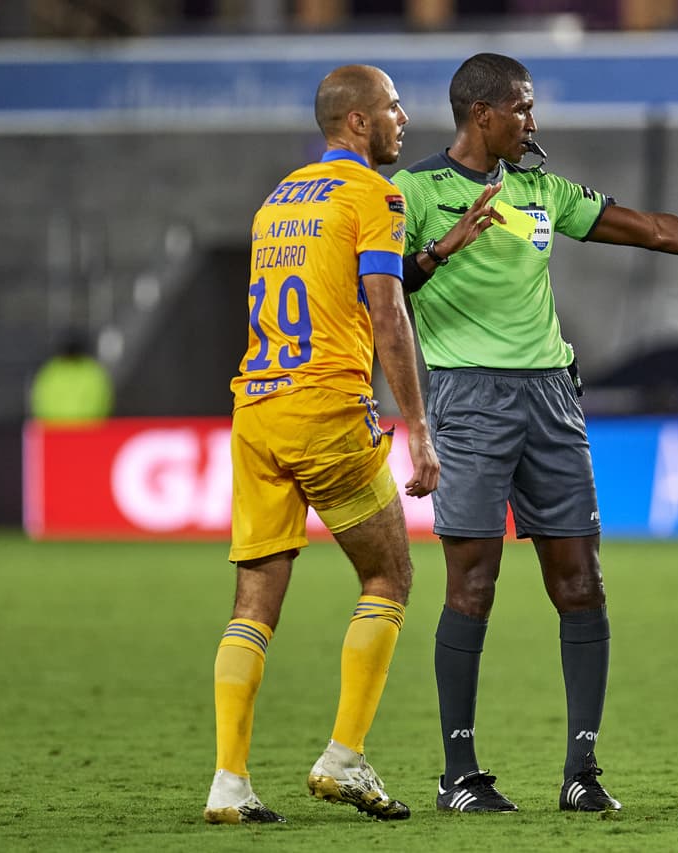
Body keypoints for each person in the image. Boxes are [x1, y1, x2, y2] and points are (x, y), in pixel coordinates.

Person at [390, 53, 678, 813]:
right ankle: (459, 775)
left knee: (582, 584)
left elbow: (647, 227)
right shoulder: (414, 191)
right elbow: (382, 286)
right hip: (467, 399)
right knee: (473, 583)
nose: (533, 123)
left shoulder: (538, 188)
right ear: (482, 113)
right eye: (522, 109)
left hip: (552, 400)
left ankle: (581, 771)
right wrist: (439, 251)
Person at [202, 63, 499, 824]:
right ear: (359, 122)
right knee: (390, 576)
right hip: (327, 409)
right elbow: (384, 311)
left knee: (255, 599)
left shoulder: (281, 197)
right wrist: (421, 429)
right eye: (395, 107)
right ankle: (344, 756)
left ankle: (228, 781)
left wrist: (436, 253)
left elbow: (337, 286)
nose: (406, 119)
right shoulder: (376, 192)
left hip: (257, 408)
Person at [29, 329, 113, 424]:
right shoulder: (93, 372)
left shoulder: (51, 372)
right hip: (64, 430)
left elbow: (38, 399)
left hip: (79, 431)